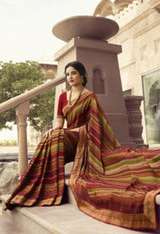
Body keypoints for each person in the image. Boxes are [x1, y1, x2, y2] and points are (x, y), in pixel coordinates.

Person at [3, 61, 160, 231]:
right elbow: (60, 119)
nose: (70, 77)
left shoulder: (89, 96)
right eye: (68, 74)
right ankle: (39, 188)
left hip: (84, 137)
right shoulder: (63, 96)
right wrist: (54, 130)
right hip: (69, 135)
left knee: (57, 136)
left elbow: (95, 124)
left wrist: (73, 130)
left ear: (82, 76)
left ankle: (44, 189)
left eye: (74, 73)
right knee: (52, 136)